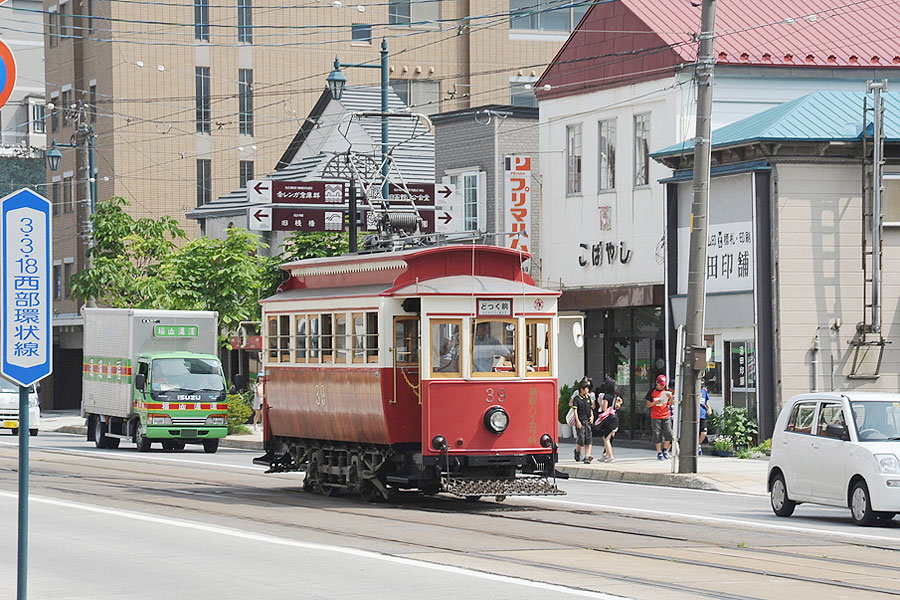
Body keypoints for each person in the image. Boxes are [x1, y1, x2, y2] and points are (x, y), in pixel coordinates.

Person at [645, 374, 674, 461]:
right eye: (661, 385)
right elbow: (648, 405)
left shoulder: (666, 391)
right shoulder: (652, 392)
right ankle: (659, 452)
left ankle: (665, 449)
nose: (662, 387)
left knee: (669, 433)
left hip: (666, 415)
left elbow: (671, 404)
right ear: (657, 383)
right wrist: (655, 403)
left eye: (663, 385)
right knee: (657, 434)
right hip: (656, 416)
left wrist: (671, 398)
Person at [594, 377, 623, 462]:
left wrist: (599, 401)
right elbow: (618, 404)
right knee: (607, 438)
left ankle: (610, 456)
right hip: (614, 418)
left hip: (609, 419)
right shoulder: (615, 396)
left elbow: (604, 408)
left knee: (606, 438)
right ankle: (606, 455)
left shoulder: (607, 396)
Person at [570, 379, 594, 463]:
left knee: (589, 438)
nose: (588, 390)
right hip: (580, 421)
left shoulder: (588, 398)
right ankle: (577, 451)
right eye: (586, 388)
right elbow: (575, 411)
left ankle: (587, 457)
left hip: (588, 421)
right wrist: (578, 421)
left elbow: (591, 408)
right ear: (581, 389)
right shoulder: (577, 399)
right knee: (581, 438)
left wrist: (592, 416)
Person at [699, 384, 710, 455]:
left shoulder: (704, 391)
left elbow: (706, 402)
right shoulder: (693, 390)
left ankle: (698, 444)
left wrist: (709, 408)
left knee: (704, 432)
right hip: (694, 415)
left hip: (703, 414)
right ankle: (696, 447)